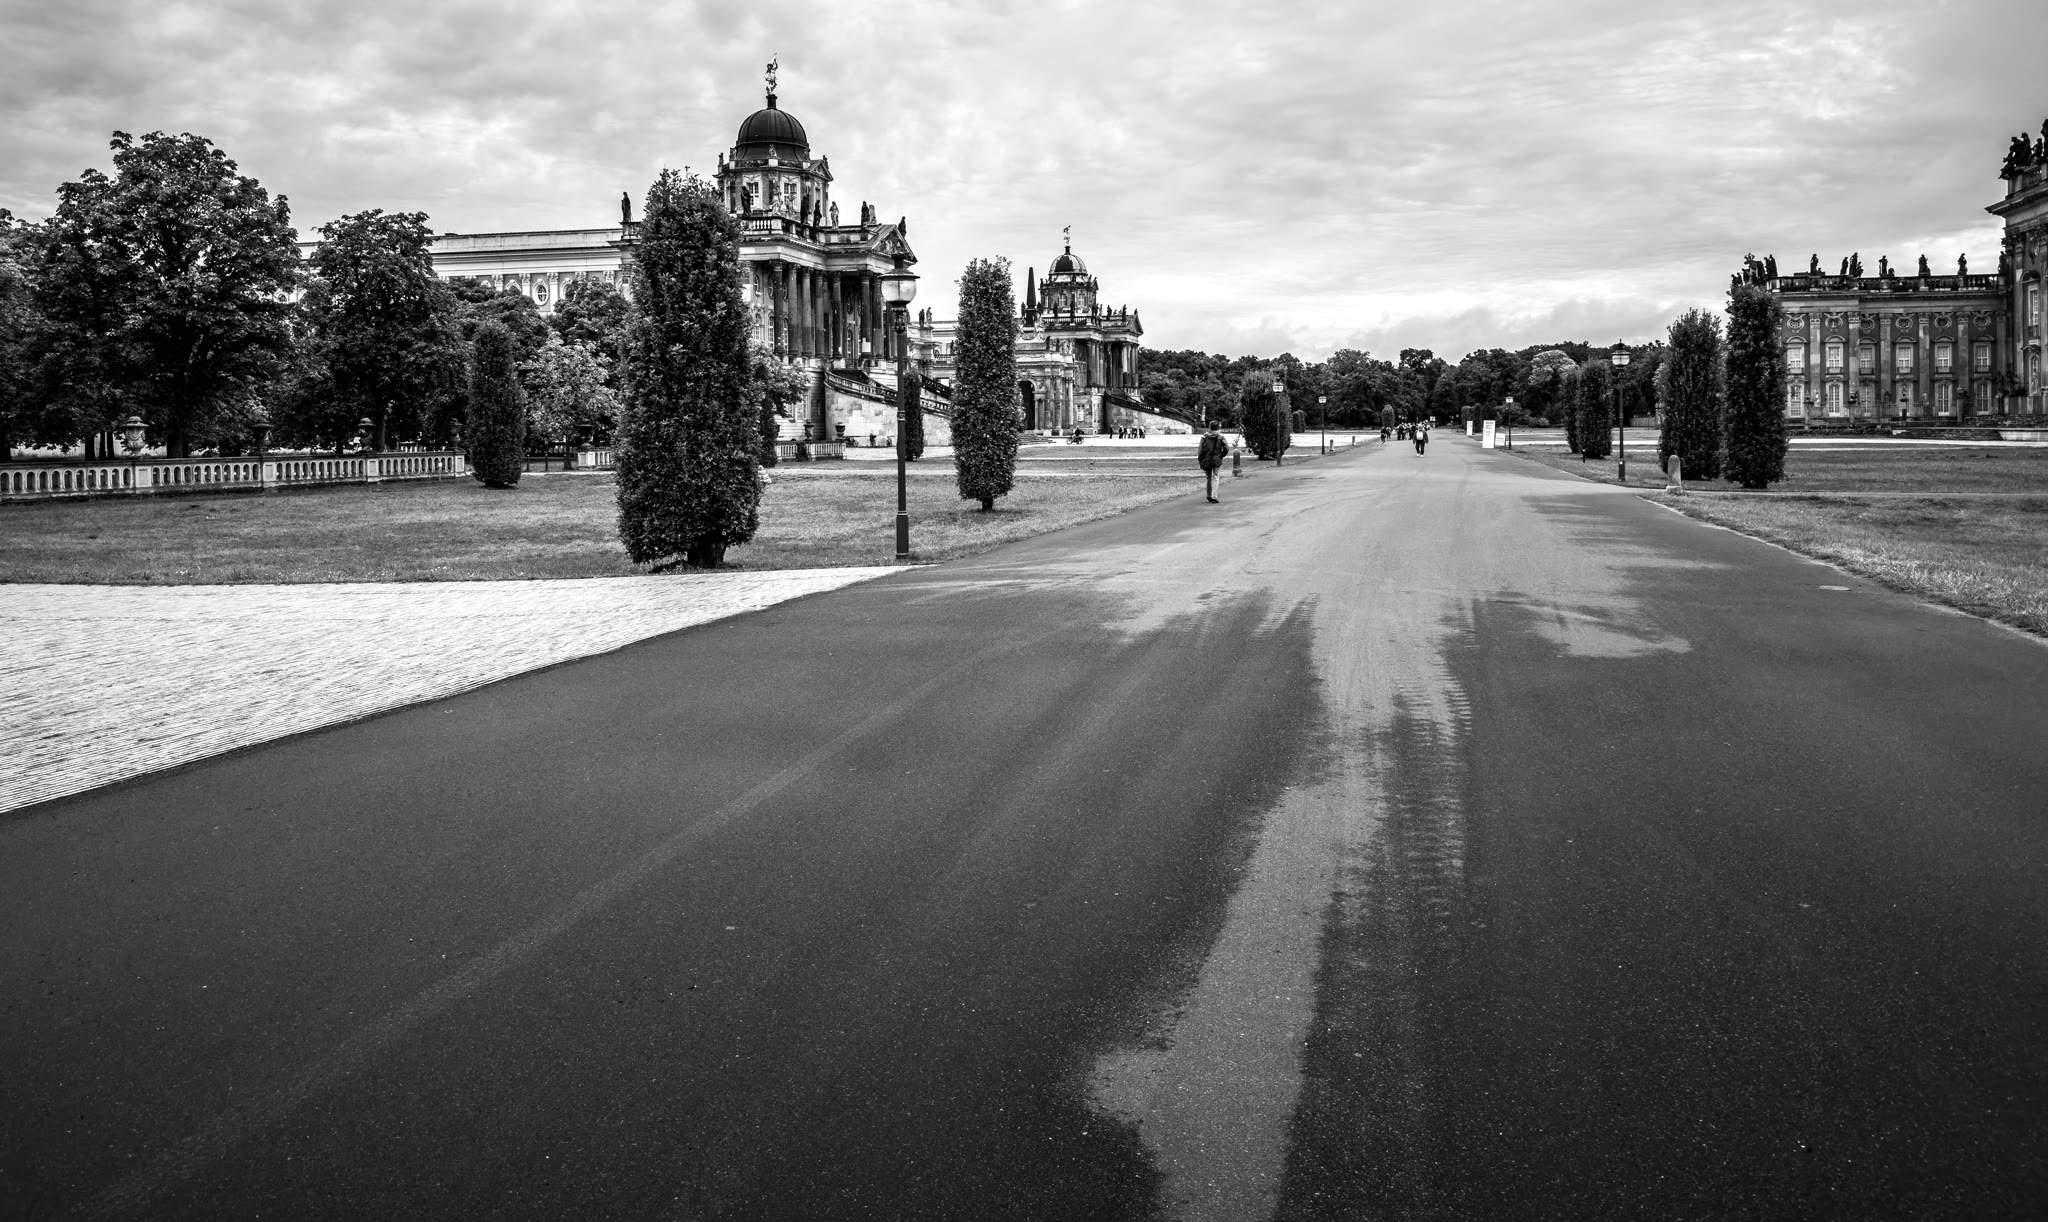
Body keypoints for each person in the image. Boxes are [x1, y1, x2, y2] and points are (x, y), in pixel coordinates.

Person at [1198, 423, 1229, 503]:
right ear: (1217, 427)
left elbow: (1200, 449)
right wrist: (1222, 455)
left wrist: (1200, 459)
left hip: (1207, 459)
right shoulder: (1221, 437)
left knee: (1208, 478)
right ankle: (1214, 496)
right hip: (1217, 459)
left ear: (1209, 427)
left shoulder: (1204, 437)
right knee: (1215, 477)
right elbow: (1226, 448)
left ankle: (1209, 495)